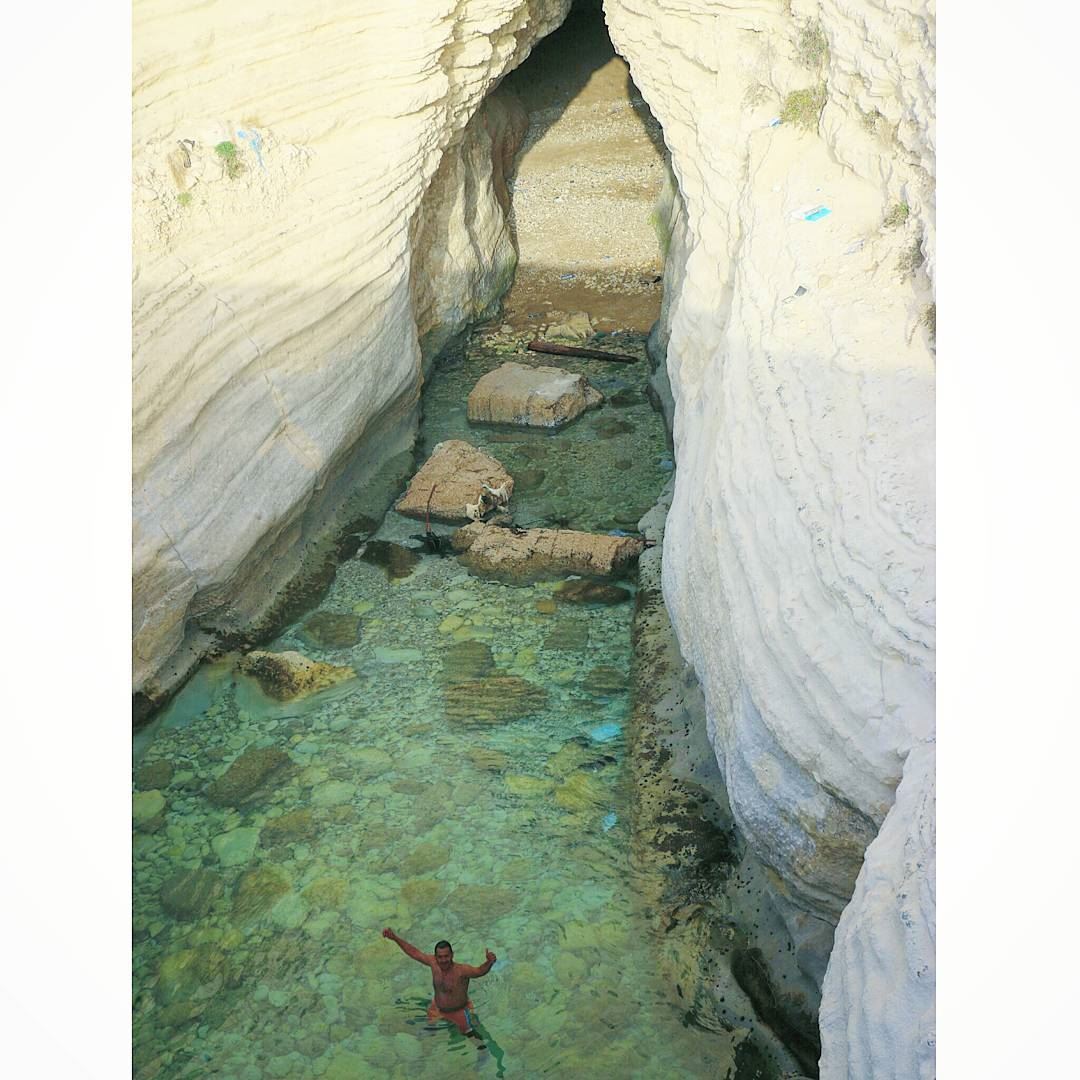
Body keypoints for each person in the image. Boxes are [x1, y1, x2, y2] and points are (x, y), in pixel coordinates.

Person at [382, 928, 496, 1049]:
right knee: (428, 1031)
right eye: (440, 957)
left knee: (469, 1034)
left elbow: (479, 971)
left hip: (458, 1011)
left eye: (446, 956)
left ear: (452, 955)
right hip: (437, 1007)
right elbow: (414, 952)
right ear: (435, 956)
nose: (443, 960)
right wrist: (395, 938)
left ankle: (484, 1054)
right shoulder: (433, 963)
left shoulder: (462, 971)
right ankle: (432, 1032)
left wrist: (489, 962)